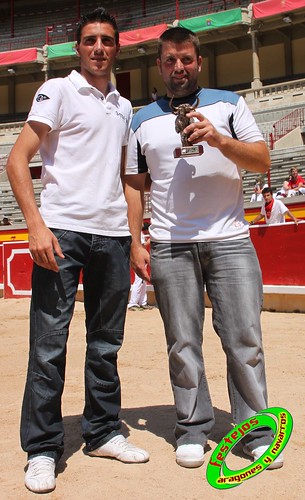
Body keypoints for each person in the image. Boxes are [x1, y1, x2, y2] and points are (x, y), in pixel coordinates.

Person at [124, 27, 283, 470]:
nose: (179, 67)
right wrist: (136, 242)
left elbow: (262, 160)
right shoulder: (141, 120)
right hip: (171, 244)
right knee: (182, 343)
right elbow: (135, 185)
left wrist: (218, 139)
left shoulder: (230, 104)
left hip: (230, 239)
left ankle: (256, 432)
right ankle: (192, 427)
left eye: (187, 59)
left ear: (199, 62)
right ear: (159, 64)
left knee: (244, 339)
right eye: (171, 60)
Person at [6, 7, 149, 494]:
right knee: (49, 345)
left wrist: (133, 238)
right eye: (90, 40)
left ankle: (103, 431)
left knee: (106, 343)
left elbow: (130, 180)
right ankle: (43, 448)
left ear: (116, 47)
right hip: (62, 232)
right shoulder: (58, 91)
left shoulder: (123, 106)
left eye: (107, 40)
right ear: (78, 47)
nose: (99, 48)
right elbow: (17, 159)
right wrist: (35, 224)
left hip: (111, 235)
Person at [128, 225, 153, 310]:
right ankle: (133, 303)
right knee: (139, 281)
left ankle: (142, 302)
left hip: (142, 259)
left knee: (143, 281)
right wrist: (149, 241)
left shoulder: (140, 234)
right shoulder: (138, 234)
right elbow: (141, 247)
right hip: (139, 259)